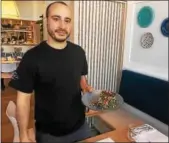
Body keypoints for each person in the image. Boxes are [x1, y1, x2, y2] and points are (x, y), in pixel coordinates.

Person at [9, 1, 93, 143]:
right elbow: (23, 101)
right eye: (56, 19)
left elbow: (81, 78)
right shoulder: (32, 57)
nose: (62, 26)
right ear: (46, 20)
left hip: (81, 128)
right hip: (50, 135)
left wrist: (86, 88)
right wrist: (23, 135)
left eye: (67, 20)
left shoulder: (79, 52)